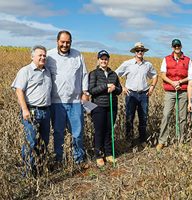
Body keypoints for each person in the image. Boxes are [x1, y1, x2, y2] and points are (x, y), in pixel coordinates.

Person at [46, 30, 89, 165]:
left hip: (75, 101)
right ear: (57, 41)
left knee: (77, 132)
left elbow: (84, 75)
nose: (65, 45)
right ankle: (59, 159)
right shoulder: (49, 56)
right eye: (62, 42)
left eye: (68, 42)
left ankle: (78, 159)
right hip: (56, 102)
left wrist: (85, 92)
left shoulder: (78, 55)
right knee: (58, 132)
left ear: (71, 42)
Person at [11, 45, 52, 176]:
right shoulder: (25, 71)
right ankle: (27, 173)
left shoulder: (47, 71)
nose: (43, 57)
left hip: (46, 111)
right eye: (40, 55)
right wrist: (24, 109)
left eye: (44, 55)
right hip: (32, 111)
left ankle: (39, 169)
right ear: (32, 56)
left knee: (44, 142)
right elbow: (19, 90)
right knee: (31, 142)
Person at [115, 42, 157, 148]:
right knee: (129, 118)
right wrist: (122, 87)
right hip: (131, 94)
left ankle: (142, 140)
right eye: (138, 50)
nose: (140, 52)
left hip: (144, 94)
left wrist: (152, 87)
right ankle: (129, 140)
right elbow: (115, 74)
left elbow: (155, 75)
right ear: (134, 52)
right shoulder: (127, 63)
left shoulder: (148, 65)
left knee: (143, 118)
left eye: (141, 50)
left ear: (144, 52)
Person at [156, 39, 192, 151]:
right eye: (175, 46)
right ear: (172, 47)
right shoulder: (166, 59)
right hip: (170, 91)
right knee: (166, 115)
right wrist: (172, 83)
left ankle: (181, 140)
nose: (177, 47)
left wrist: (180, 82)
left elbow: (191, 76)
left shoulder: (188, 60)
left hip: (183, 91)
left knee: (182, 117)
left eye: (178, 45)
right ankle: (162, 141)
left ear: (181, 46)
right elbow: (163, 75)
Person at [89, 50, 122, 167]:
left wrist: (114, 88)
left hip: (112, 106)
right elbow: (91, 90)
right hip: (98, 106)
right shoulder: (94, 73)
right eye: (102, 59)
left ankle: (108, 154)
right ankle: (98, 155)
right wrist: (106, 86)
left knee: (109, 131)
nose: (104, 61)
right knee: (99, 131)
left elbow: (120, 90)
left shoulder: (113, 74)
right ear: (98, 60)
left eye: (106, 59)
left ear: (108, 60)